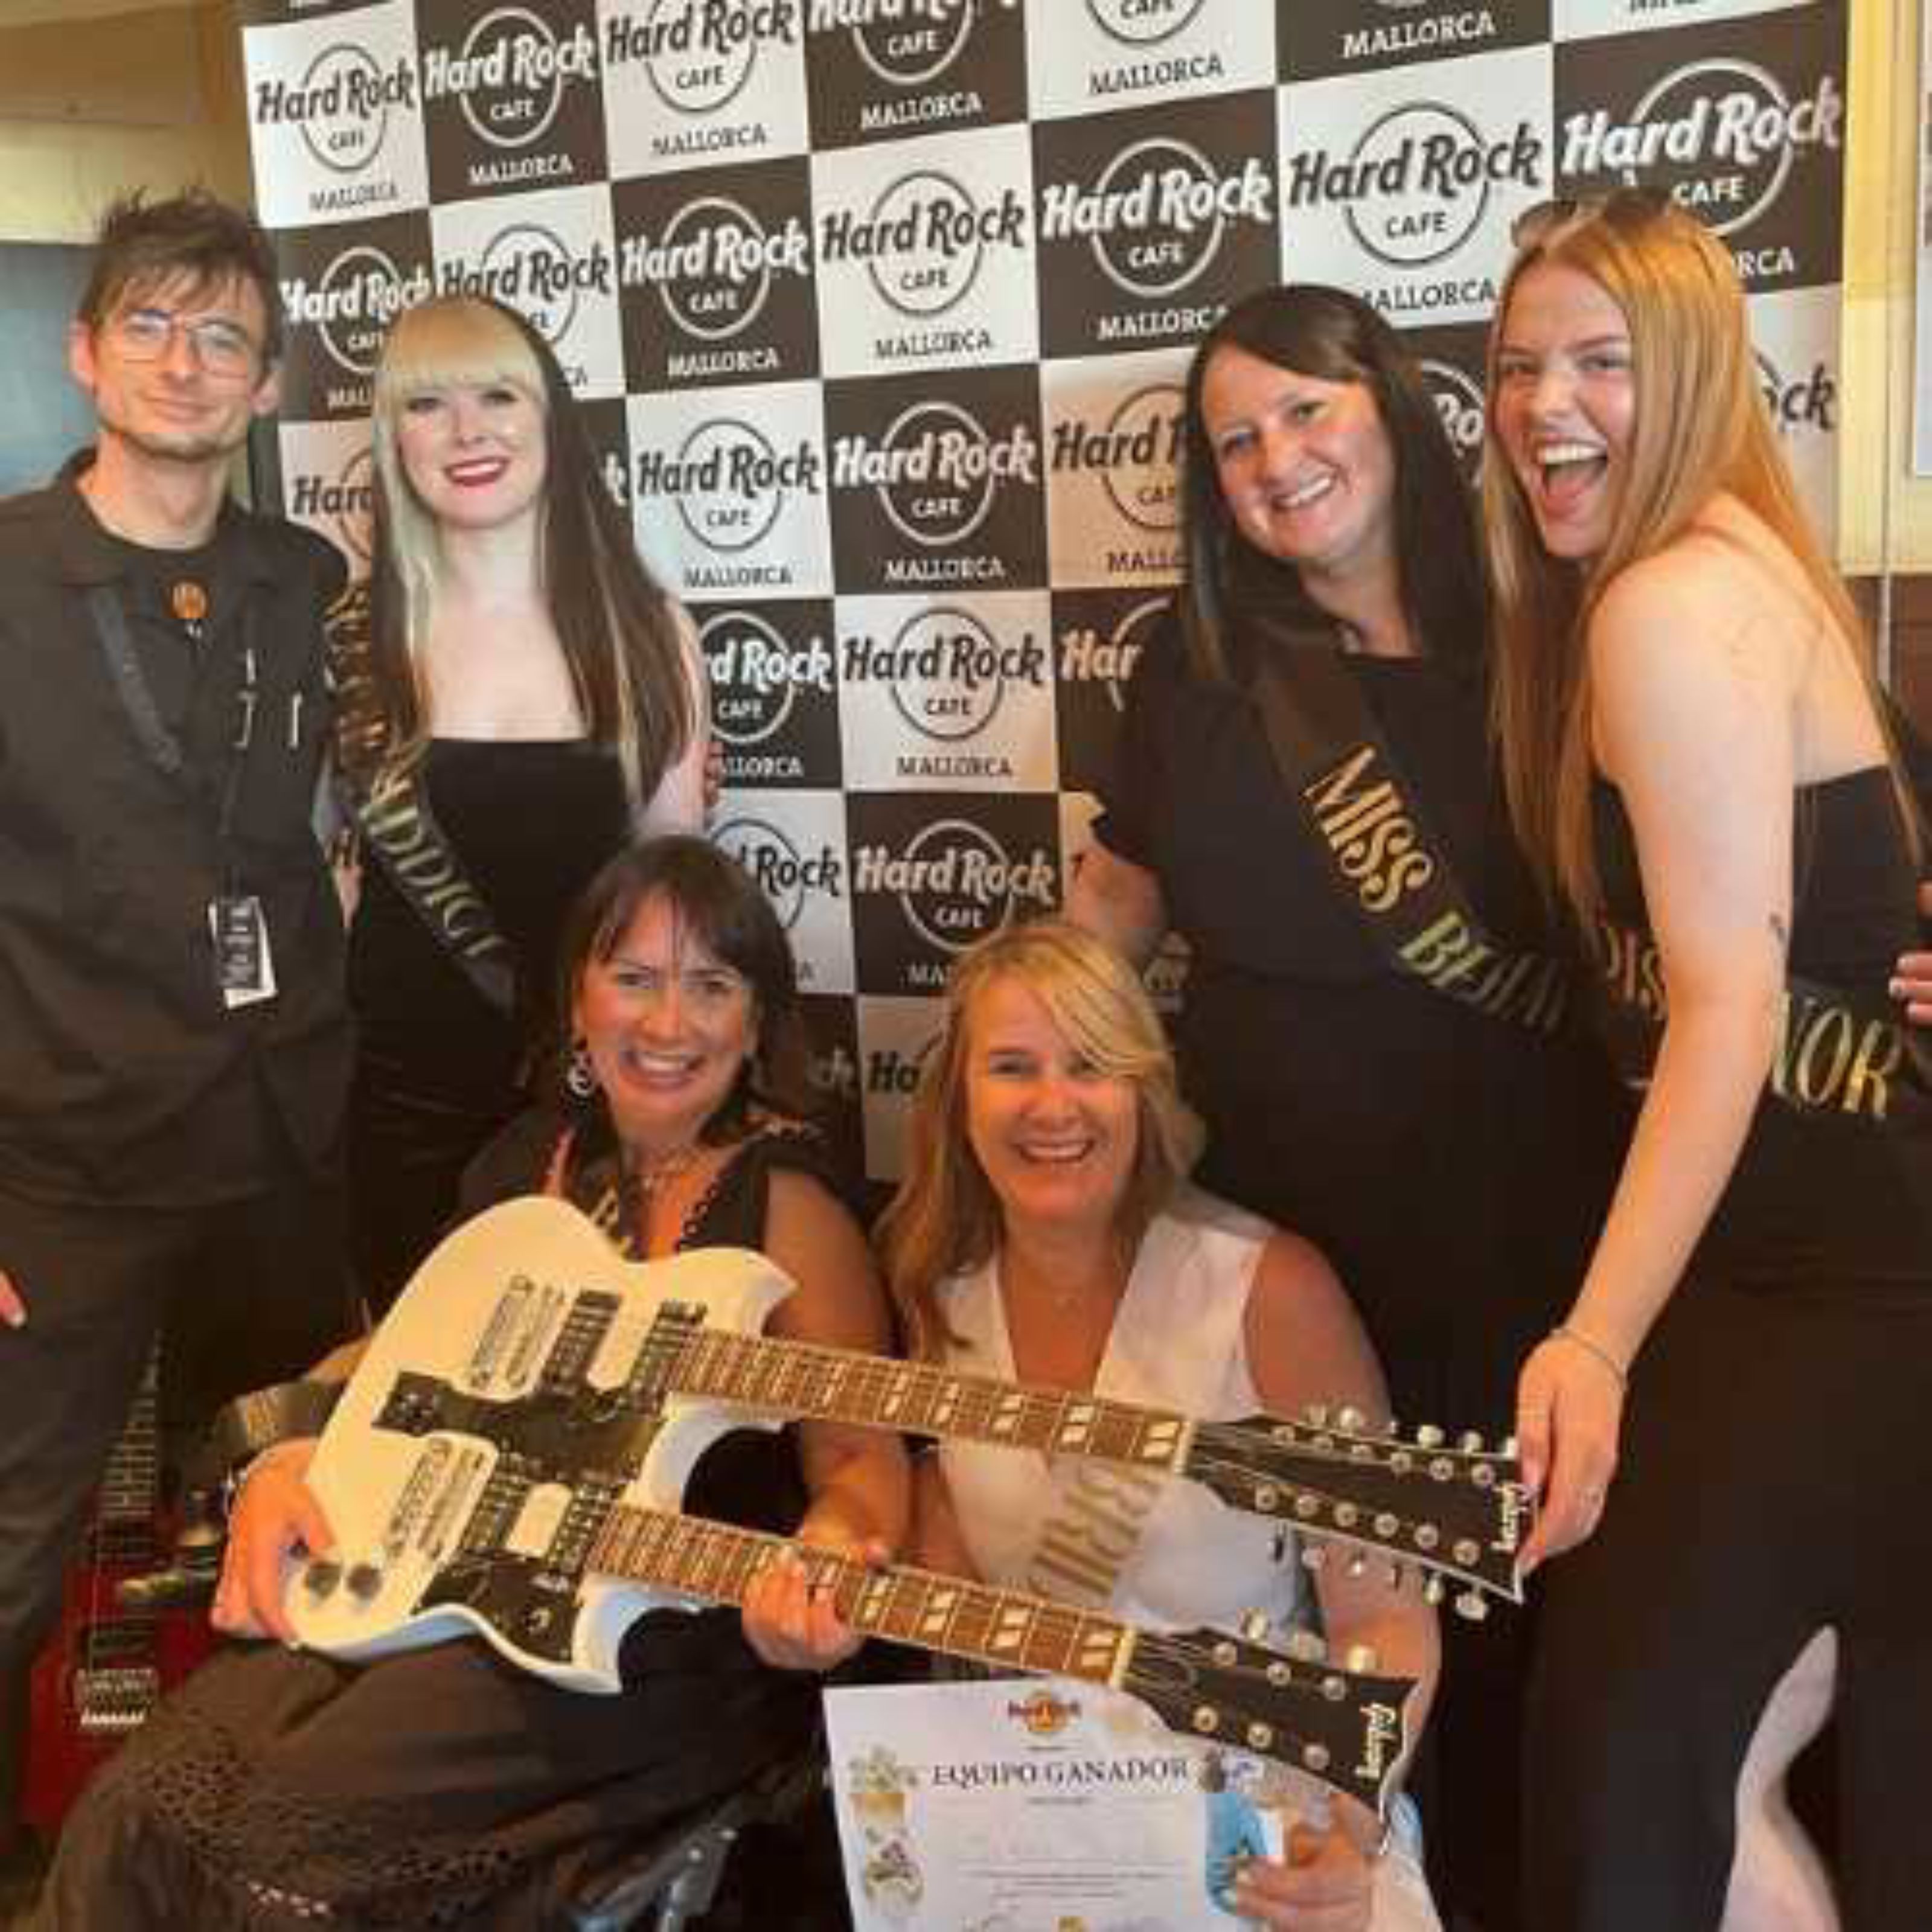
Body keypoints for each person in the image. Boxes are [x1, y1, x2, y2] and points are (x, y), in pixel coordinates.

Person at [33, 836, 908, 1930]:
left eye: (711, 986)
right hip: (444, 1583)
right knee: (139, 1802)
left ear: (757, 1020)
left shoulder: (790, 1202)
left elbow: (861, 1461)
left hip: (652, 1648)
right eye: (634, 978)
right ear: (579, 1003)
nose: (668, 1023)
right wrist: (285, 1459)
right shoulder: (526, 1163)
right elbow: (392, 1357)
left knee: (281, 1837)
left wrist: (827, 1564)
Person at [1064, 283, 1628, 1929]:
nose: (1275, 460)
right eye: (1234, 440)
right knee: (1320, 1650)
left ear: (1391, 404)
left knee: (1521, 1650)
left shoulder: (1556, 633)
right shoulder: (1196, 664)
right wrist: (1019, 1069)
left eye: (1305, 410)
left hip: (1520, 1260)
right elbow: (1114, 915)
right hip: (1283, 1270)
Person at [1483, 191, 1931, 1930]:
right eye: (1519, 366)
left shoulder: (1666, 603)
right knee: (1719, 1770)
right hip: (1834, 1270)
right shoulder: (1743, 563)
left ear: (1690, 373)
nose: (1544, 407)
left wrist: (1592, 1341)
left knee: (1634, 1780)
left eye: (1600, 362)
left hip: (1826, 1283)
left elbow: (1728, 1008)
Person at [0, 190, 356, 1887]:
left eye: (224, 335)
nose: (184, 361)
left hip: (280, 1144)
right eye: (148, 323)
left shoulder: (304, 582)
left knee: (299, 1521)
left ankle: (251, 1863)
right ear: (85, 355)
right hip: (59, 1164)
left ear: (267, 382)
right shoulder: (5, 579)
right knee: (13, 1547)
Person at [860, 918, 1444, 1932]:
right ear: (958, 1098)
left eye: (1090, 1065)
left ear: (1142, 1088)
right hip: (1052, 1828)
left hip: (1274, 1817)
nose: (1053, 1105)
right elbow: (950, 1537)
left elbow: (1384, 1617)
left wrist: (1350, 1831)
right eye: (1012, 1067)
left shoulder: (1270, 1289)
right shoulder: (938, 1295)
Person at [331, 293, 708, 1317]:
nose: (468, 432)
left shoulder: (647, 634)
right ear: (393, 439)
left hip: (592, 1101)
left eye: (498, 396)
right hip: (398, 1104)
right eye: (427, 405)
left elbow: (677, 897)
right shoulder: (349, 639)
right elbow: (322, 884)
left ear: (551, 420)